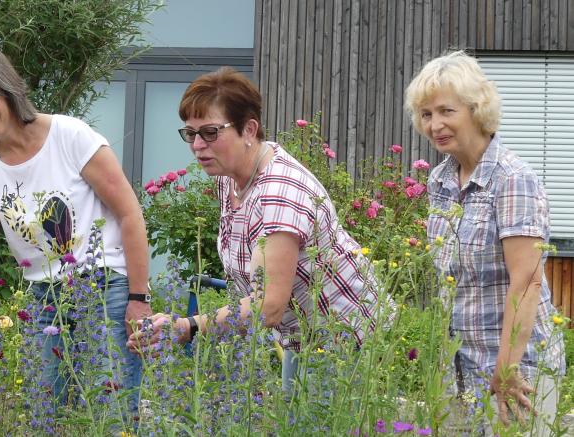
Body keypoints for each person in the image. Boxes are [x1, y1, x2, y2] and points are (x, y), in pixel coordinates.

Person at [128, 67, 392, 395]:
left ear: (249, 129)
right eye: (190, 133)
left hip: (346, 342)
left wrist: (187, 326)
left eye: (210, 132)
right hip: (303, 339)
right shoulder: (232, 176)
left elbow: (268, 304)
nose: (197, 145)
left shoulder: (279, 191)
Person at [0, 45, 151, 413]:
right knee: (46, 413)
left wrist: (139, 298)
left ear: (8, 90)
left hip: (107, 288)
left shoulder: (71, 137)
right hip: (45, 300)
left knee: (111, 409)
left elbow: (130, 214)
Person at [405, 50, 565, 434]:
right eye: (426, 115)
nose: (435, 124)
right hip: (459, 367)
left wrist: (507, 368)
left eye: (447, 111)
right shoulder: (440, 181)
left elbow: (526, 282)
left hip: (516, 369)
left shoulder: (512, 179)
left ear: (476, 109)